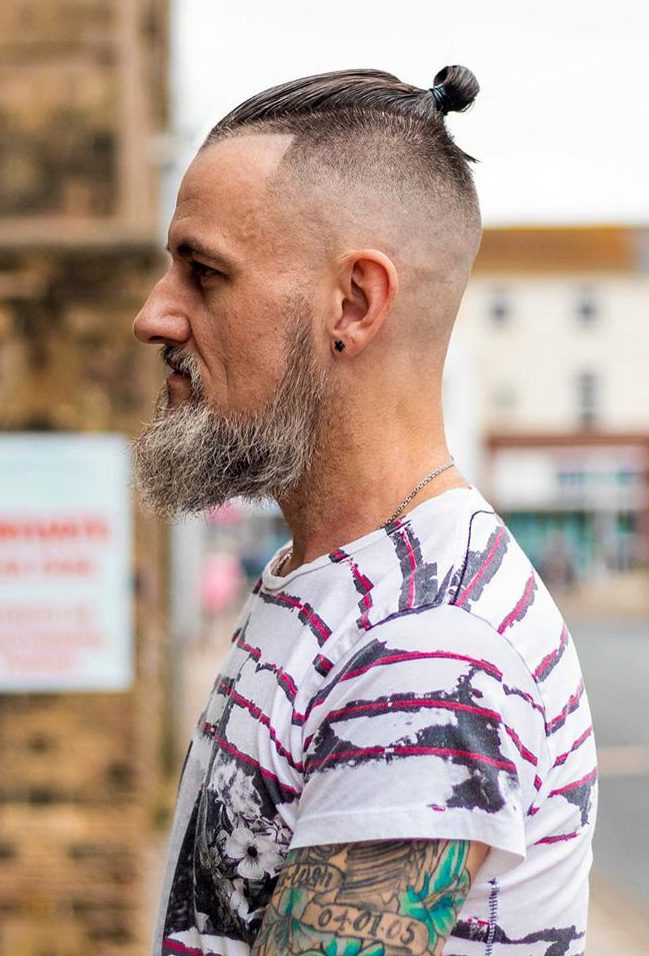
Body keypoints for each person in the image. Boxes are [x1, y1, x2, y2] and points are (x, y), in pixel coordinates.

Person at [132, 65, 597, 956]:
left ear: (354, 302)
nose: (156, 316)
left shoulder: (430, 648)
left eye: (203, 273)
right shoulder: (332, 576)